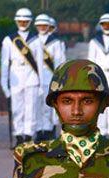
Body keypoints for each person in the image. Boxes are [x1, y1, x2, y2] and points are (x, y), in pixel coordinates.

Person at [0, 8, 44, 146]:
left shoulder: (36, 40)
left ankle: (28, 136)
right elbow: (4, 63)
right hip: (16, 79)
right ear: (16, 21)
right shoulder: (9, 40)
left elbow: (40, 63)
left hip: (32, 78)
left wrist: (41, 84)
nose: (23, 23)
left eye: (25, 21)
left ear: (30, 22)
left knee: (31, 108)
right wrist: (4, 83)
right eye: (20, 21)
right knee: (17, 108)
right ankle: (19, 135)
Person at [35, 13, 66, 142]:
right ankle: (38, 130)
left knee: (48, 106)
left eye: (45, 25)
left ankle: (48, 130)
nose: (42, 27)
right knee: (37, 106)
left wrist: (59, 78)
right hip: (35, 78)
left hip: (50, 77)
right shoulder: (32, 41)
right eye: (40, 25)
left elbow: (60, 61)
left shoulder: (55, 42)